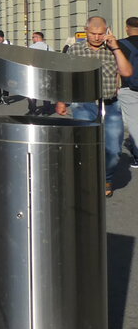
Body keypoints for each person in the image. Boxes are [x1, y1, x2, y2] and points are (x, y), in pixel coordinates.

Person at [56, 16, 133, 197]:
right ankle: (84, 180)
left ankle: (106, 177)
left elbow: (127, 72)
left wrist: (115, 47)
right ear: (86, 30)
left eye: (101, 33)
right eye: (93, 33)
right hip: (84, 103)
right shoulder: (75, 49)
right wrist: (61, 100)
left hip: (110, 104)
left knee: (114, 149)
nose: (97, 37)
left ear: (107, 31)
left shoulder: (115, 49)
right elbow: (65, 77)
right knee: (84, 144)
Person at [117, 17, 138, 168]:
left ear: (127, 28)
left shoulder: (120, 44)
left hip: (128, 87)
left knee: (134, 123)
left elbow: (116, 67)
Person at [27, 31, 52, 116]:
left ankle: (32, 110)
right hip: (46, 73)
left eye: (33, 37)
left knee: (31, 92)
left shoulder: (31, 47)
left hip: (33, 73)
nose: (33, 39)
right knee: (46, 93)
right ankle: (46, 111)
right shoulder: (49, 48)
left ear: (37, 38)